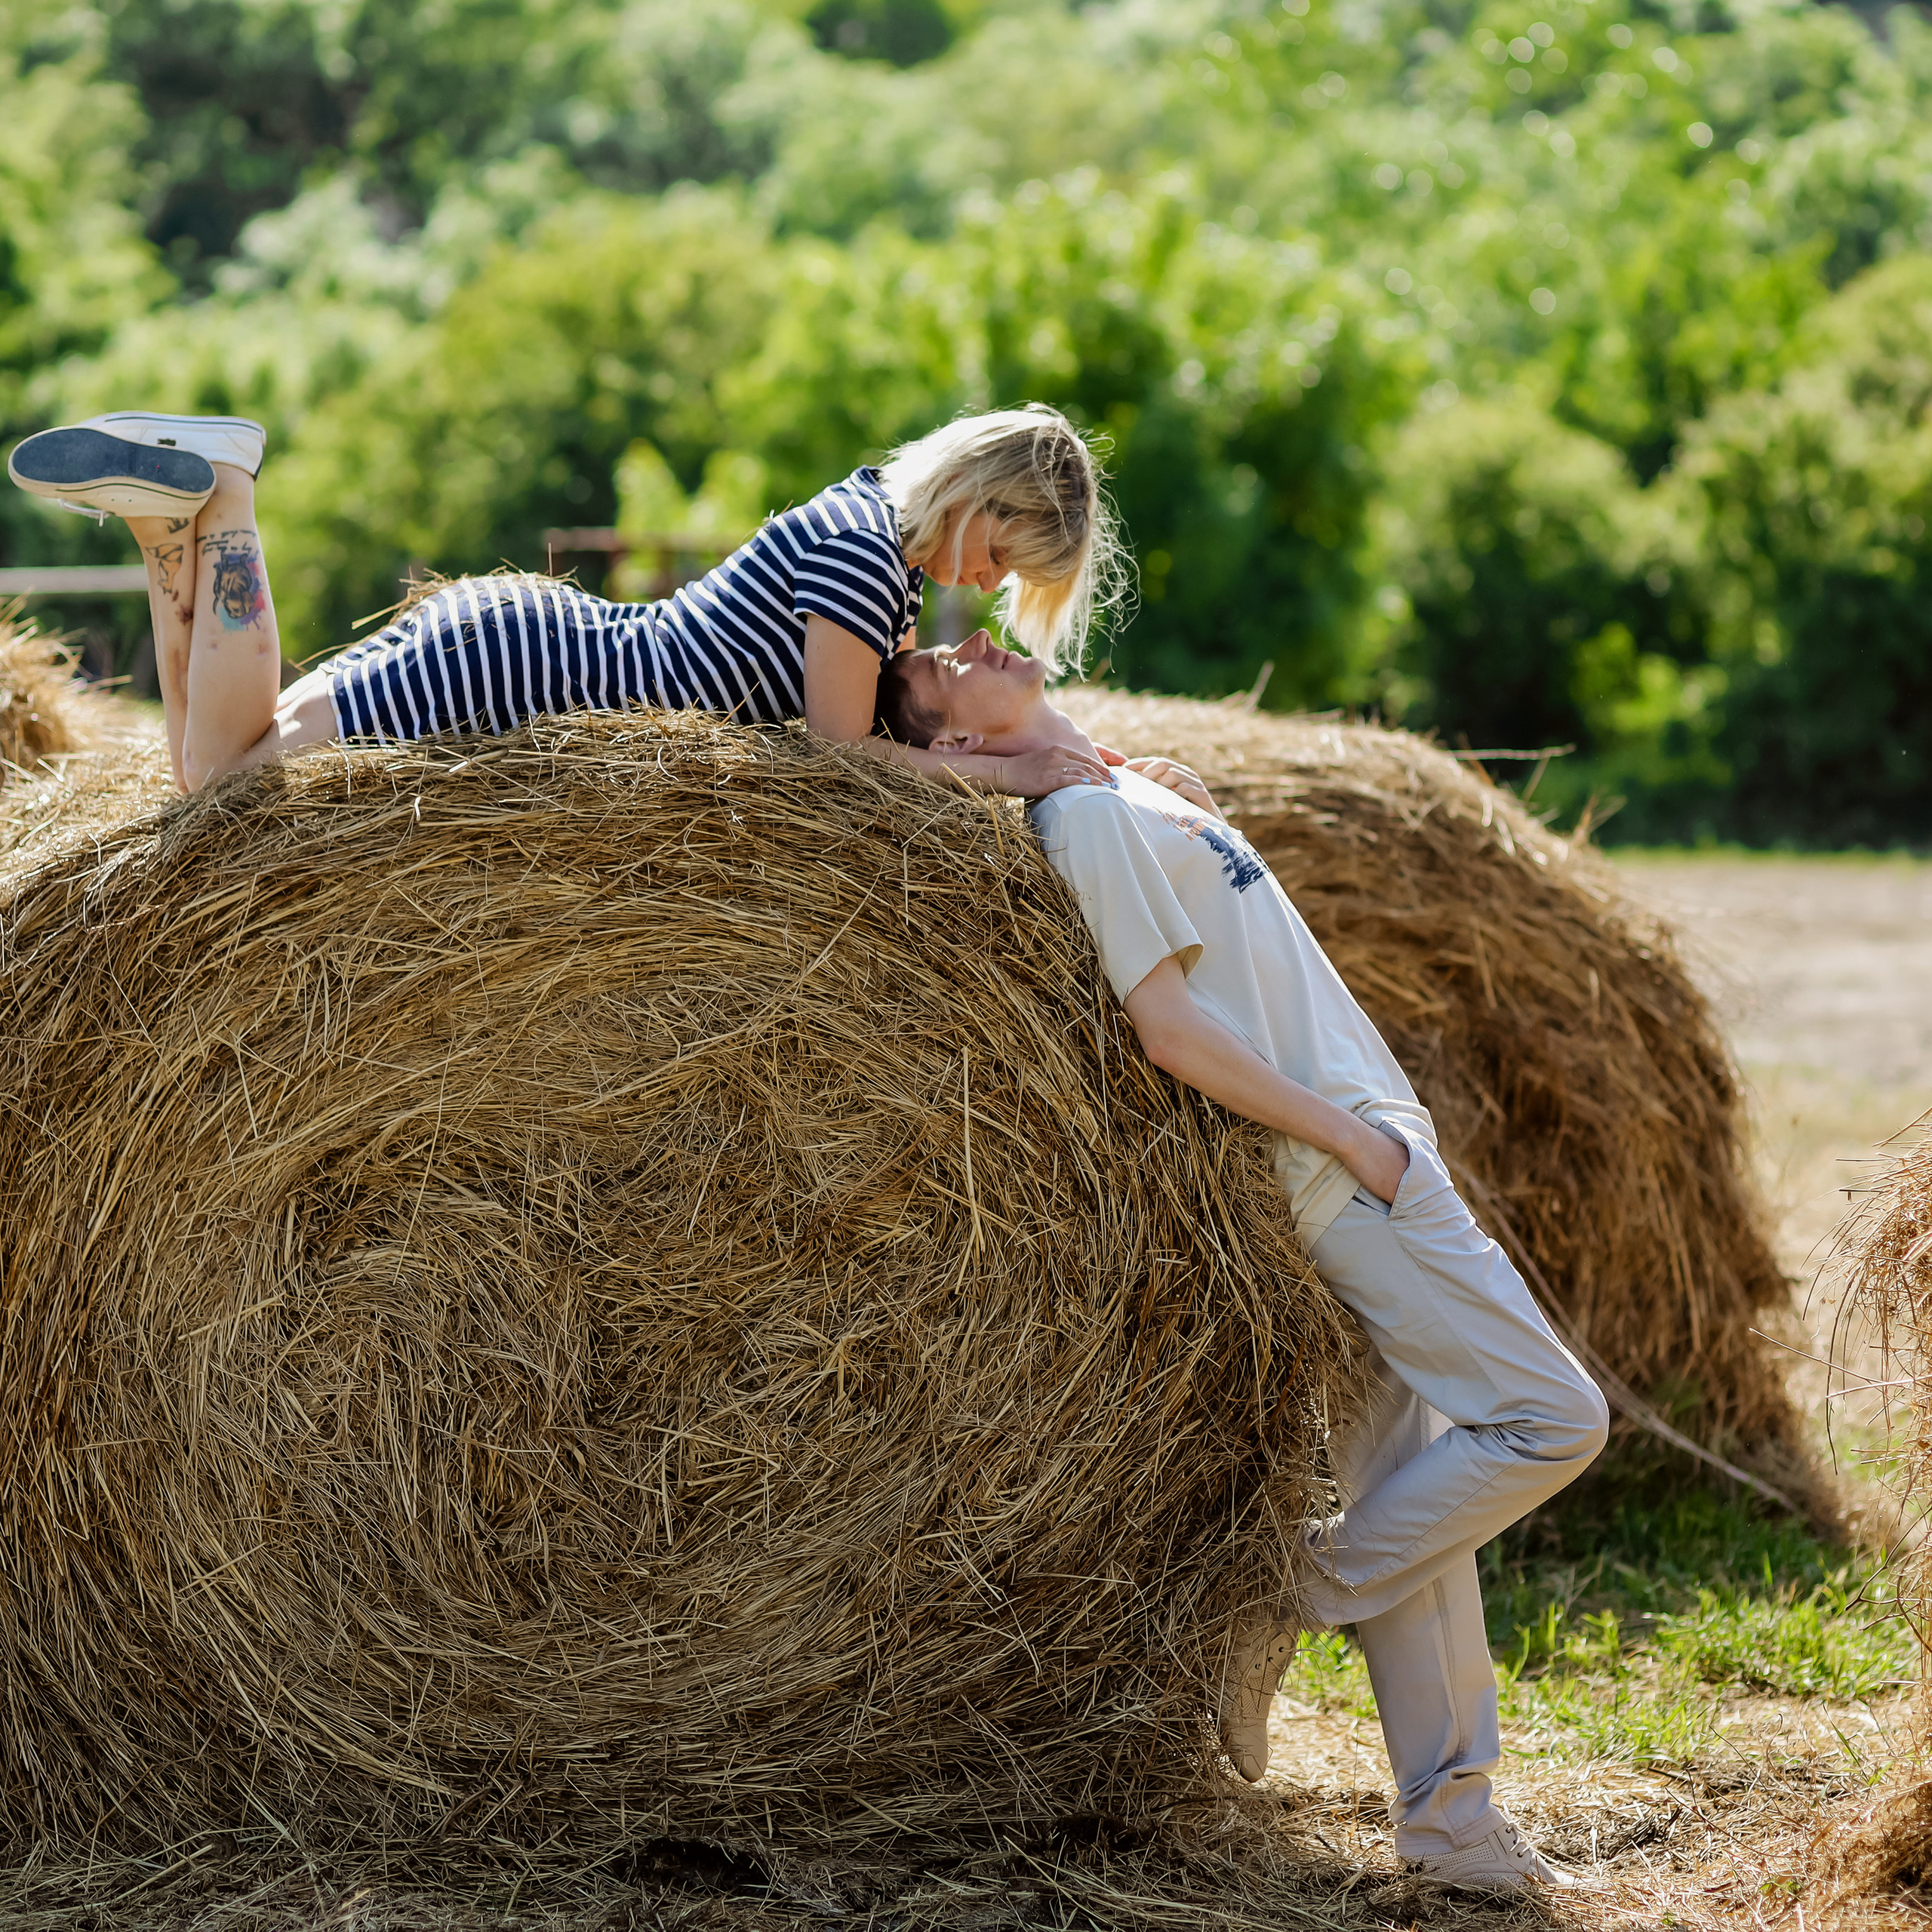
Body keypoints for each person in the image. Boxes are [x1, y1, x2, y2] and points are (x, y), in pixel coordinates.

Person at [872, 636, 1611, 1897]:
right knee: (1555, 1419)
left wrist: (1167, 788)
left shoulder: (1118, 790)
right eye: (941, 664)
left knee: (1415, 1495)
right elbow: (1169, 1032)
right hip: (1349, 1170)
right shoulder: (1082, 821)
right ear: (953, 741)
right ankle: (1276, 1596)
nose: (973, 637)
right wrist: (1353, 1145)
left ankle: (1453, 1826)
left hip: (1369, 1143)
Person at [7, 404, 1156, 803]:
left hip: (525, 648)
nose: (990, 586)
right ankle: (230, 486)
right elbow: (844, 761)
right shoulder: (866, 559)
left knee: (204, 780)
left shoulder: (875, 532)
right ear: (974, 497)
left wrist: (1106, 768)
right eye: (1003, 555)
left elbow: (943, 731)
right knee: (230, 789)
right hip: (521, 674)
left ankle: (170, 527)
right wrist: (1017, 779)